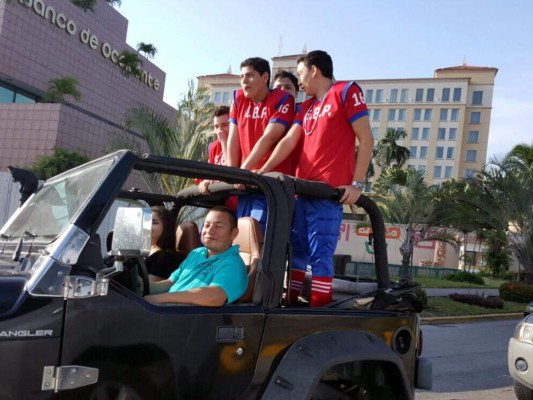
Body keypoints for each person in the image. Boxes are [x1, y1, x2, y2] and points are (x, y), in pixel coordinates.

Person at [259, 50, 374, 307]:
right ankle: (291, 305)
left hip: (327, 193)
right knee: (297, 252)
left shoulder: (346, 91)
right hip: (301, 190)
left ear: (313, 70)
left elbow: (366, 138)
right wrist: (265, 169)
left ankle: (317, 313)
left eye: (300, 74)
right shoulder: (307, 106)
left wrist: (356, 185)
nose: (299, 82)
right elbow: (290, 140)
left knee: (320, 255)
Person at [227, 57, 295, 233]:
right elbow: (233, 138)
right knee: (241, 235)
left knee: (257, 235)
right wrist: (231, 173)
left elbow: (270, 136)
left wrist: (242, 171)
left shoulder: (283, 99)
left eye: (250, 75)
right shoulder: (238, 98)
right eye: (241, 76)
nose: (244, 81)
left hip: (269, 183)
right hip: (244, 182)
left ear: (265, 77)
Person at [145, 206, 248, 306]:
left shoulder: (233, 264)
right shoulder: (197, 253)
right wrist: (142, 285)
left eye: (218, 226)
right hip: (168, 313)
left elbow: (215, 296)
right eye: (206, 225)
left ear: (233, 233)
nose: (209, 231)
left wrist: (159, 299)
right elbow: (171, 282)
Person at [198, 105, 238, 211]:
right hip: (217, 203)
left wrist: (224, 142)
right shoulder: (213, 147)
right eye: (216, 126)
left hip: (235, 203)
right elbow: (211, 173)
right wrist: (206, 181)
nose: (219, 130)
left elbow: (231, 169)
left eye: (225, 125)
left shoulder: (240, 143)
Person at [272, 70, 301, 175]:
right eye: (278, 88)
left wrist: (356, 184)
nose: (282, 91)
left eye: (288, 87)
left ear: (296, 93)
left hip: (298, 179)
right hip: (267, 177)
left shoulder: (304, 113)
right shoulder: (263, 116)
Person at [147, 206, 185, 281]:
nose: (148, 226)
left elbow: (148, 286)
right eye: (146, 221)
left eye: (154, 223)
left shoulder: (167, 257)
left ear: (167, 227)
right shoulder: (140, 251)